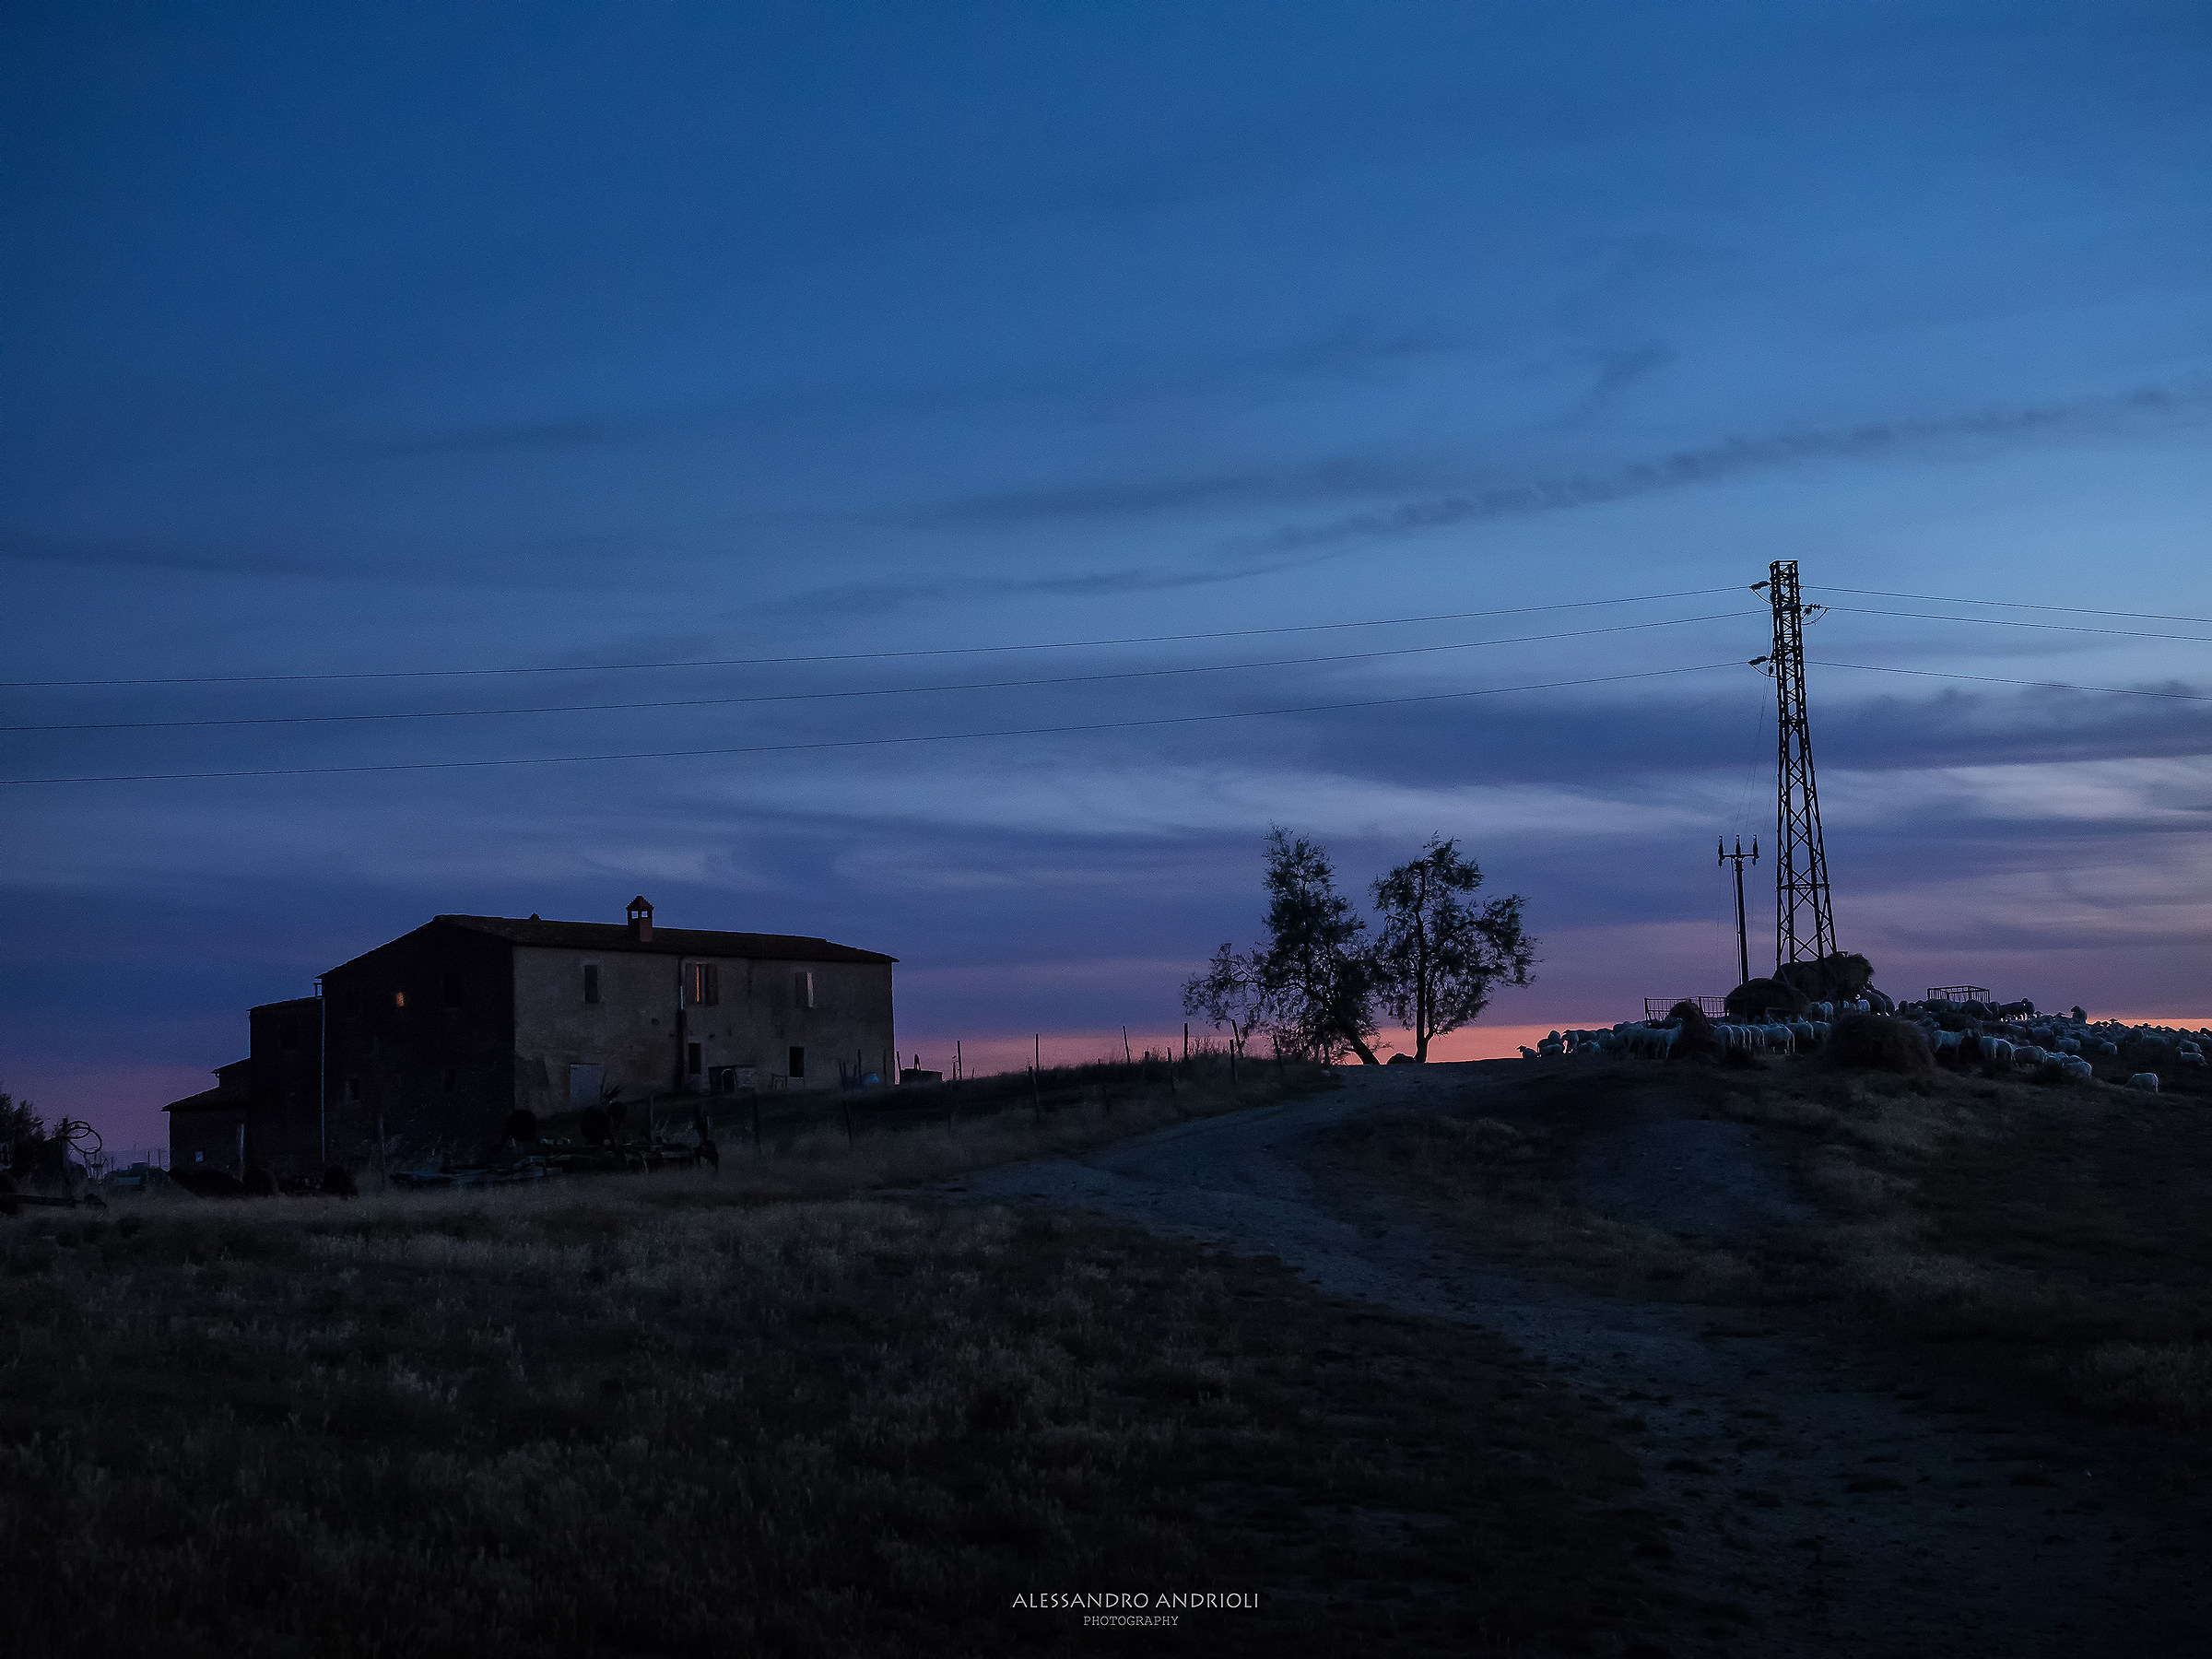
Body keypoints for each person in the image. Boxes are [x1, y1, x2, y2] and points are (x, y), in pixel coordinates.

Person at [692, 1104, 720, 1173]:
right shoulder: (710, 1151)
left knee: (703, 1132)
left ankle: (701, 1113)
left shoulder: (710, 1152)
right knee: (703, 1132)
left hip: (707, 1145)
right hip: (707, 1145)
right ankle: (701, 1113)